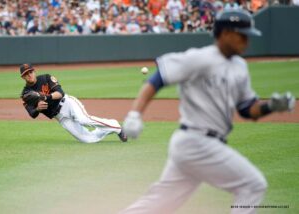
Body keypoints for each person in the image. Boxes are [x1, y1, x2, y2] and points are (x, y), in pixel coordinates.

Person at [121, 9, 295, 213]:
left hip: (196, 145)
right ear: (225, 33)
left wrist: (271, 106)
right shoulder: (200, 58)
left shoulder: (240, 66)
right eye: (242, 35)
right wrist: (134, 114)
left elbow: (247, 109)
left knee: (160, 203)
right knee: (253, 185)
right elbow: (157, 80)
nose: (247, 42)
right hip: (197, 141)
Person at [20, 63, 127, 143]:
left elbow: (60, 93)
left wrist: (45, 97)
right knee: (88, 139)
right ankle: (112, 126)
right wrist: (37, 109)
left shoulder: (46, 78)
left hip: (67, 103)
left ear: (34, 71)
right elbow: (32, 113)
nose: (29, 75)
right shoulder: (25, 93)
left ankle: (117, 127)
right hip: (60, 117)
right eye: (26, 74)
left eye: (30, 72)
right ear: (23, 77)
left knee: (84, 119)